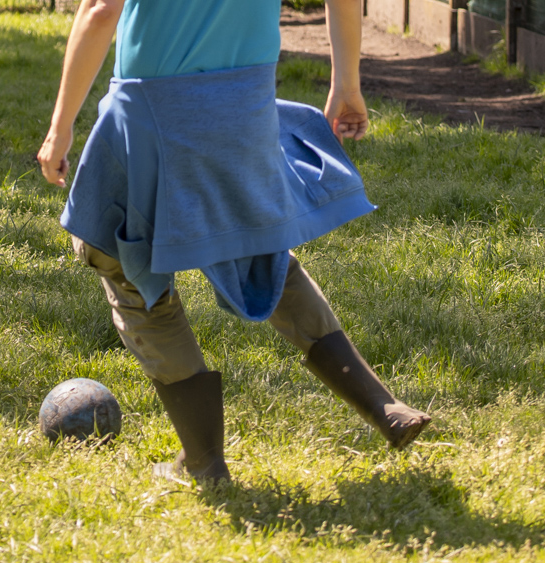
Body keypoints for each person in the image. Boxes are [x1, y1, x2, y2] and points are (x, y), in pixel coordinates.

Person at [37, 0, 431, 482]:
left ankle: (204, 463)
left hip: (152, 109)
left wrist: (59, 130)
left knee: (124, 265)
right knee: (263, 255)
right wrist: (346, 83)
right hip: (244, 102)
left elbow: (101, 10)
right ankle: (384, 406)